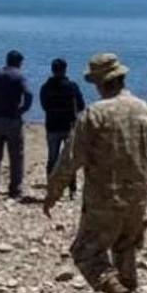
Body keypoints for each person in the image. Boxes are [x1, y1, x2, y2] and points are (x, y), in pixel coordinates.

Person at [44, 53, 147, 293]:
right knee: (125, 247)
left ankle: (115, 289)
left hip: (105, 197)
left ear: (101, 83)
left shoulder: (94, 114)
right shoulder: (145, 109)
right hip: (139, 195)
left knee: (84, 250)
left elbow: (71, 157)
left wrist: (53, 191)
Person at [0, 50, 33, 199]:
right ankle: (15, 189)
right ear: (19, 62)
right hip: (12, 118)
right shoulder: (18, 75)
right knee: (16, 156)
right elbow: (28, 94)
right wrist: (23, 109)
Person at [39, 58, 85, 199]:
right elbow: (81, 105)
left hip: (52, 125)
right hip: (68, 125)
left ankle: (52, 188)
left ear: (52, 70)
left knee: (52, 158)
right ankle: (72, 189)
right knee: (70, 159)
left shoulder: (46, 87)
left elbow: (44, 106)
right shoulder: (71, 86)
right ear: (65, 69)